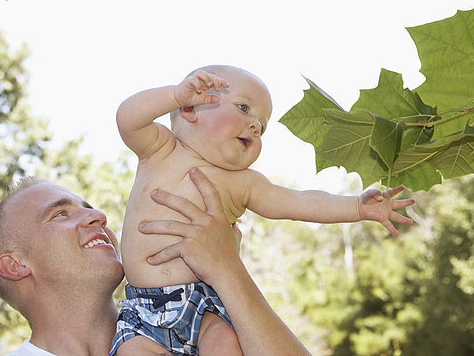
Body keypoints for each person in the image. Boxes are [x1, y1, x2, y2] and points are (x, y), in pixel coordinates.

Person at [114, 65, 415, 355]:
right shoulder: (160, 150)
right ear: (190, 110)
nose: (256, 126)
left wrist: (357, 207)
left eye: (263, 126)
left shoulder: (244, 183)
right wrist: (175, 94)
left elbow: (300, 202)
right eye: (244, 109)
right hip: (143, 309)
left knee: (227, 344)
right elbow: (127, 118)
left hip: (205, 308)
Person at [0, 168, 312, 356]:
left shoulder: (199, 331)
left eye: (88, 206)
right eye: (60, 213)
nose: (98, 216)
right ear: (16, 265)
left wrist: (227, 271)